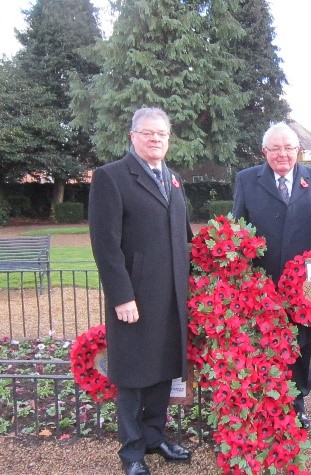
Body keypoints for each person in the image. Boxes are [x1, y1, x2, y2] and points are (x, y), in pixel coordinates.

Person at [88, 107, 193, 475]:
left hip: (172, 299)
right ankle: (132, 452)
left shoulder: (173, 179)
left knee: (163, 371)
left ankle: (154, 437)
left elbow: (184, 237)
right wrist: (121, 296)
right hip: (134, 299)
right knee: (132, 376)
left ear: (168, 139)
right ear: (133, 137)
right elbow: (105, 245)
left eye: (161, 134)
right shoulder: (111, 177)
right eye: (148, 133)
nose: (155, 139)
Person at [232, 121, 311, 430]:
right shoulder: (247, 180)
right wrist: (245, 273)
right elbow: (238, 226)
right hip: (260, 284)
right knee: (262, 344)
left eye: (289, 148)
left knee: (301, 344)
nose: (282, 154)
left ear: (298, 150)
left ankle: (297, 402)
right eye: (275, 148)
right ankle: (264, 403)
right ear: (264, 151)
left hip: (305, 284)